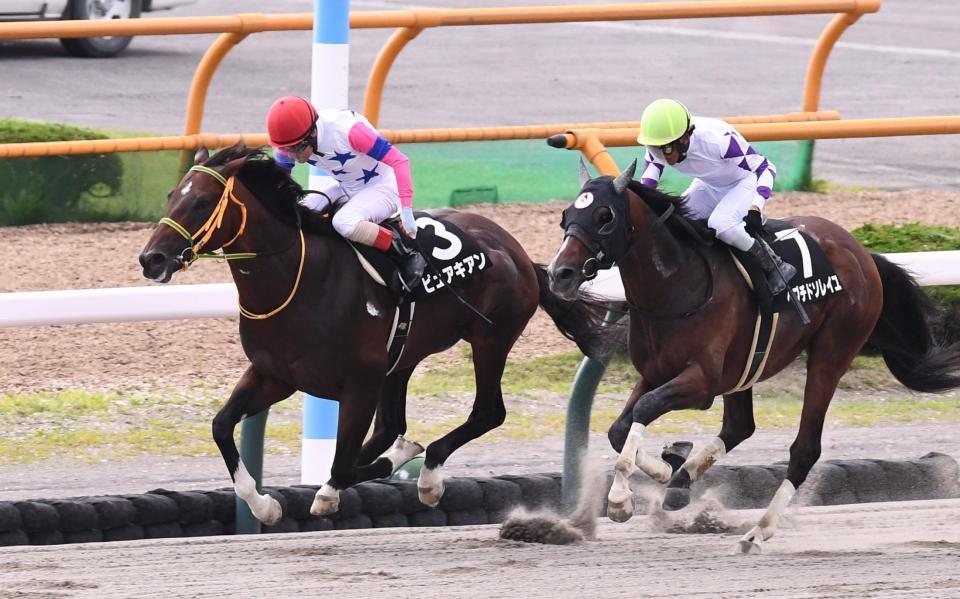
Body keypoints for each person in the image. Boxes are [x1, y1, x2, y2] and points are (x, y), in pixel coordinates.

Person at [265, 95, 426, 293]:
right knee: (296, 212)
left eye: (296, 149)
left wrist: (407, 208)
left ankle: (404, 253)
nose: (292, 156)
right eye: (285, 149)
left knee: (343, 222)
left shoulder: (349, 132)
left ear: (313, 133)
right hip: (346, 187)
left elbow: (400, 160)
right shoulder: (290, 141)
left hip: (384, 188)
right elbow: (278, 184)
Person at [636, 98, 797, 295]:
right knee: (673, 223)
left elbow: (765, 168)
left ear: (685, 138)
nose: (661, 156)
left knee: (722, 226)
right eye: (654, 148)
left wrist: (755, 207)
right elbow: (647, 190)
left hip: (744, 183)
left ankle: (774, 265)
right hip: (709, 184)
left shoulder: (719, 141)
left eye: (666, 149)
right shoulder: (661, 144)